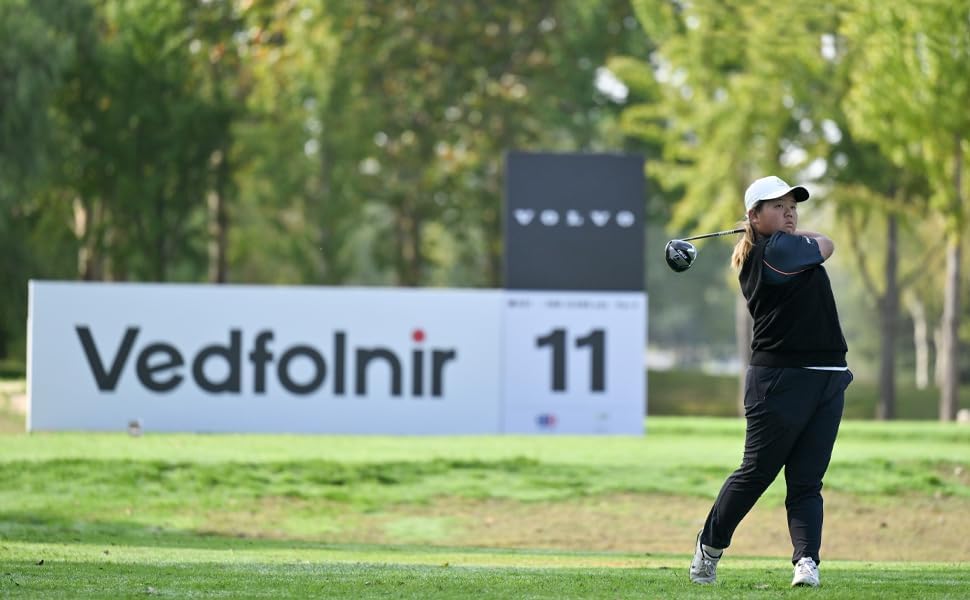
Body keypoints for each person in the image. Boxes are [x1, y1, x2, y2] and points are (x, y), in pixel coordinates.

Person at [688, 175, 853, 588]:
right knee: (757, 473)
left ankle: (806, 561)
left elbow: (818, 245)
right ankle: (709, 547)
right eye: (778, 207)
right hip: (781, 380)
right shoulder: (776, 250)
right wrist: (791, 233)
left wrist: (782, 228)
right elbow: (828, 244)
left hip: (826, 375)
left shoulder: (781, 245)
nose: (790, 213)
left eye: (792, 206)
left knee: (807, 480)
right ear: (754, 215)